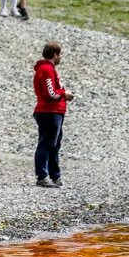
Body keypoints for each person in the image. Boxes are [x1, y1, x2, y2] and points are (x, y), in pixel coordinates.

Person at [32, 42, 73, 188]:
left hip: (54, 112)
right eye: (60, 54)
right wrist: (64, 94)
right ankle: (42, 176)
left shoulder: (48, 69)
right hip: (49, 112)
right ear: (55, 54)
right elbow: (50, 93)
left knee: (54, 145)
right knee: (46, 144)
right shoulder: (46, 69)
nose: (60, 57)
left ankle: (55, 176)